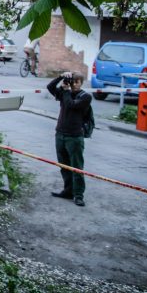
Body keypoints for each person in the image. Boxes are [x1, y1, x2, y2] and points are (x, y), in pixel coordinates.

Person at [47, 71, 92, 207]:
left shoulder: (85, 97)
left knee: (76, 167)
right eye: (72, 81)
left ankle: (78, 195)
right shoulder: (65, 92)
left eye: (76, 82)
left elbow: (70, 105)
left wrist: (65, 90)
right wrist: (61, 77)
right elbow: (50, 87)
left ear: (80, 83)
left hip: (74, 137)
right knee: (63, 165)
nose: (73, 84)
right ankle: (68, 191)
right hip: (60, 134)